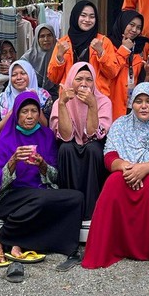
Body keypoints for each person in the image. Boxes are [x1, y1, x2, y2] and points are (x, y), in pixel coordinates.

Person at [81, 83, 149, 273]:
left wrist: (144, 168)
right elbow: (109, 154)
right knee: (113, 184)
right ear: (132, 104)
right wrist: (127, 167)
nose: (143, 106)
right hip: (127, 172)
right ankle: (102, 251)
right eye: (138, 101)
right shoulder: (121, 124)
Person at [0, 92, 84, 265]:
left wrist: (42, 165)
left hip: (39, 192)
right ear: (17, 114)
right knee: (42, 202)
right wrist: (13, 161)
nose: (30, 116)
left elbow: (55, 177)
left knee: (76, 198)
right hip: (11, 197)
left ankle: (21, 241)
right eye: (24, 111)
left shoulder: (46, 135)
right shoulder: (6, 137)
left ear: (40, 113)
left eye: (34, 111)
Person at [50, 62, 113, 219]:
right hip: (70, 142)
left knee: (92, 149)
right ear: (71, 80)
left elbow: (94, 134)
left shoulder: (103, 101)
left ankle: (91, 209)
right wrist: (63, 104)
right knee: (66, 149)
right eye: (79, 79)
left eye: (89, 79)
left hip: (94, 144)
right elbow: (65, 135)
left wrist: (92, 105)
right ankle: (69, 206)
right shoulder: (60, 101)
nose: (84, 84)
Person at [0, 59, 52, 169]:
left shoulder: (43, 96)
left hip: (36, 139)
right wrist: (15, 107)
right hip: (9, 140)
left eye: (23, 73)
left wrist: (36, 102)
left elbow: (47, 127)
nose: (18, 78)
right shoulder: (3, 98)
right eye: (14, 75)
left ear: (30, 74)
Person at [47, 0, 118, 97]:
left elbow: (112, 73)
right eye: (83, 15)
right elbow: (53, 78)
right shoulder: (63, 43)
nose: (87, 20)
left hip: (96, 100)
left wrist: (101, 53)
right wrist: (59, 57)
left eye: (92, 17)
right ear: (75, 16)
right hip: (69, 100)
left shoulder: (103, 42)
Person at [108, 10, 149, 120]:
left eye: (139, 27)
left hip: (130, 107)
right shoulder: (108, 45)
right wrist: (124, 49)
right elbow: (111, 71)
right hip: (111, 106)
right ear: (123, 23)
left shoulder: (138, 50)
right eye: (131, 25)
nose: (135, 30)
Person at [19, 24, 58, 99]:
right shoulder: (27, 58)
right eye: (42, 36)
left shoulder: (59, 55)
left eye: (49, 35)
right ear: (36, 39)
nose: (46, 39)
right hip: (33, 96)